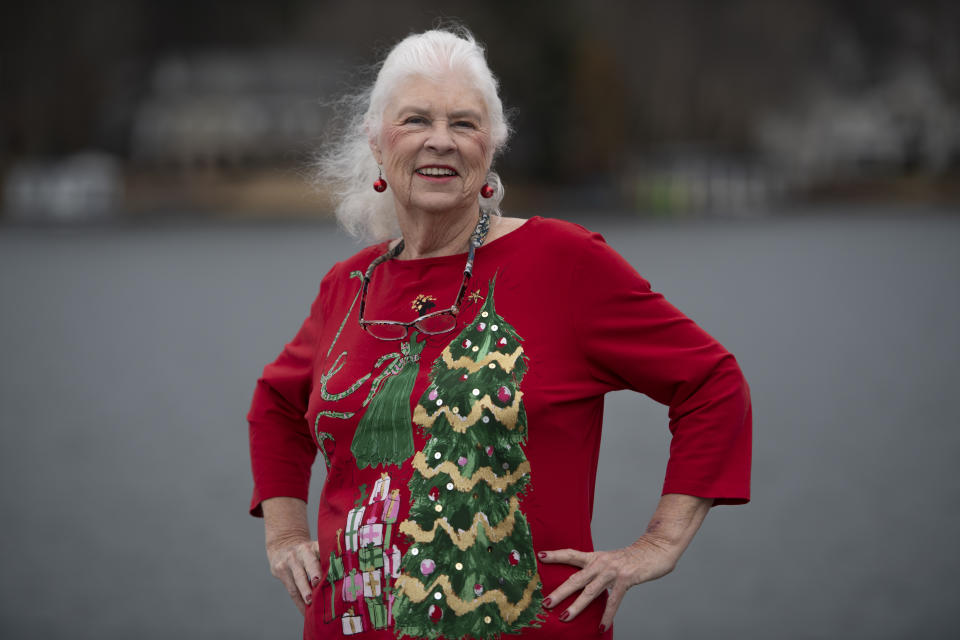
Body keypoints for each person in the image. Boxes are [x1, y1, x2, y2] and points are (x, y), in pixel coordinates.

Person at [248, 26, 751, 640]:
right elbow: (277, 402)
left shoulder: (562, 262)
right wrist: (286, 533)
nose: (442, 141)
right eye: (416, 120)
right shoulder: (349, 284)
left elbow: (709, 382)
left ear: (492, 146)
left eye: (464, 123)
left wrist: (660, 542)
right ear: (377, 141)